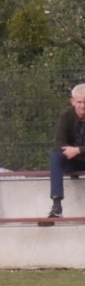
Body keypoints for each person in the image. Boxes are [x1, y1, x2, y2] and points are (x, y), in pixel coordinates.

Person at [48, 83, 85, 218]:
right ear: (73, 102)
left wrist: (78, 150)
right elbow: (58, 143)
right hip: (71, 159)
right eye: (79, 102)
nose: (82, 106)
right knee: (55, 157)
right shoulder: (66, 115)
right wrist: (71, 152)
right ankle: (56, 205)